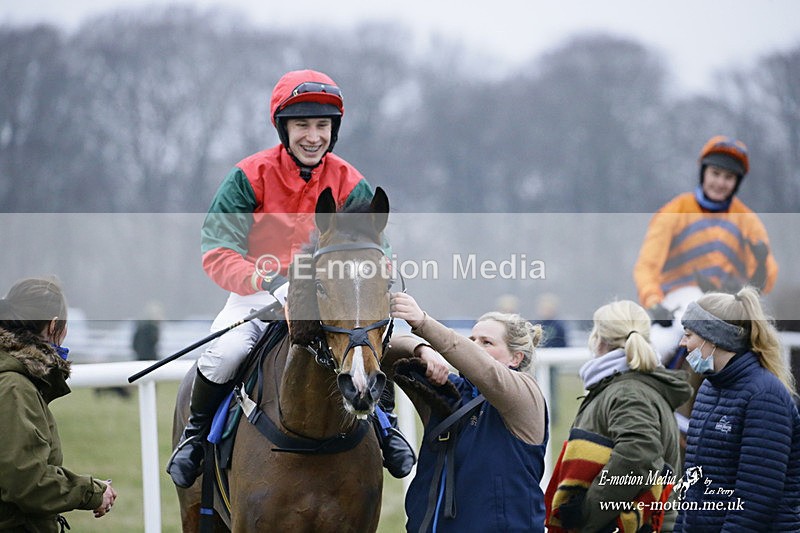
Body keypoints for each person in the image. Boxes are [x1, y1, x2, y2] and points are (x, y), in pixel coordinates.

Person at [167, 69, 414, 488]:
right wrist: (271, 280)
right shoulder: (248, 175)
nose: (312, 136)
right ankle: (195, 437)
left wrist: (376, 273)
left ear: (333, 130)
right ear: (284, 128)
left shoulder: (350, 180)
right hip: (259, 299)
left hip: (333, 298)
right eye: (302, 125)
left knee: (373, 346)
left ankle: (386, 428)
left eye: (322, 126)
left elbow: (379, 247)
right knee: (224, 352)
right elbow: (217, 251)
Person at [388, 291, 548, 532]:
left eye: (487, 342)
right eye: (471, 340)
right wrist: (422, 348)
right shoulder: (448, 391)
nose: (475, 347)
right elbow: (387, 352)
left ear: (516, 358)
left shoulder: (526, 395)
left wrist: (422, 322)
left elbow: (487, 372)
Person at [545, 300, 692, 533]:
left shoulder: (628, 392)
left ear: (599, 339)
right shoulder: (623, 385)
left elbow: (638, 455)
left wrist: (588, 514)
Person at [633, 135, 778, 366]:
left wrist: (761, 263)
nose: (720, 183)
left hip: (727, 300)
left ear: (737, 182)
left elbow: (765, 280)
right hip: (680, 299)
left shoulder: (747, 220)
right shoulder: (675, 210)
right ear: (704, 173)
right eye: (716, 174)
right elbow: (646, 266)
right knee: (656, 348)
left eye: (728, 177)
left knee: (770, 350)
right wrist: (653, 302)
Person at [676, 287, 800, 531]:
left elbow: (756, 500)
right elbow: (692, 488)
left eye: (689, 334)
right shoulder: (708, 390)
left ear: (714, 338)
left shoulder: (765, 396)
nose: (682, 342)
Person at [0, 276, 117, 531]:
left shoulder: (15, 380)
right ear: (54, 326)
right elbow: (27, 483)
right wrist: (93, 492)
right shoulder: (14, 387)